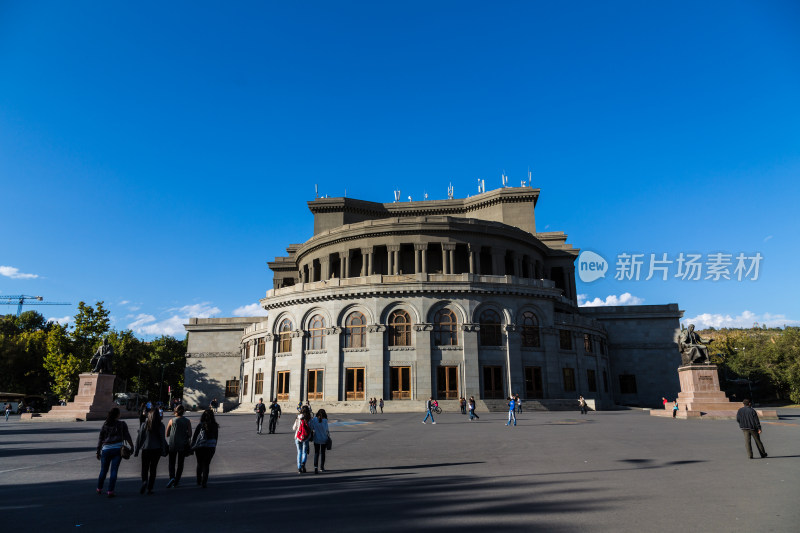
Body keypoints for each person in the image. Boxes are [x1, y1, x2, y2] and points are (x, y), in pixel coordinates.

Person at [96, 407, 134, 498]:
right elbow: (127, 436)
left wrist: (98, 451)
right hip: (117, 450)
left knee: (103, 470)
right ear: (118, 415)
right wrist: (132, 446)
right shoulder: (122, 424)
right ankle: (110, 490)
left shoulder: (105, 425)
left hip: (106, 449)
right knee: (114, 470)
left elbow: (101, 439)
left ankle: (99, 488)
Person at [134, 409, 168, 495]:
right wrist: (163, 451)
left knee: (144, 468)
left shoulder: (144, 425)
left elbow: (139, 438)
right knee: (153, 468)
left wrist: (136, 450)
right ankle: (150, 487)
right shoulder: (161, 426)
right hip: (156, 450)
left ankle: (144, 481)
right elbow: (162, 439)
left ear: (149, 416)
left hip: (146, 449)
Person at [165, 404, 192, 488]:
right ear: (183, 412)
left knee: (171, 463)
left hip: (173, 444)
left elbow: (167, 434)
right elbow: (190, 434)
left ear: (175, 411)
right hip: (182, 445)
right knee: (180, 463)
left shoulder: (171, 420)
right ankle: (177, 480)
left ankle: (172, 478)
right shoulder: (187, 421)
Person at [191, 409, 219, 487]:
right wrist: (214, 446)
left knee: (199, 463)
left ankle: (198, 480)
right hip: (210, 447)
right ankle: (204, 482)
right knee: (206, 464)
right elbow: (216, 437)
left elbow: (195, 437)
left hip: (200, 446)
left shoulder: (200, 425)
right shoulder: (214, 425)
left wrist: (192, 446)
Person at [292, 406, 313, 473]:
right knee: (304, 452)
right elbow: (311, 428)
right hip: (306, 438)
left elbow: (294, 428)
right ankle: (303, 463)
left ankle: (299, 467)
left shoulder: (298, 418)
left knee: (299, 452)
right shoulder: (309, 419)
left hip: (298, 437)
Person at [310, 408, 330, 474]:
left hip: (316, 438)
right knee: (323, 453)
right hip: (324, 438)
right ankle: (322, 467)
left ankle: (316, 467)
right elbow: (327, 430)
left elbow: (312, 428)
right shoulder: (325, 420)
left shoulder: (314, 419)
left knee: (316, 453)